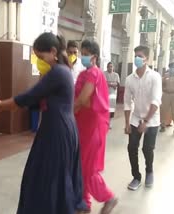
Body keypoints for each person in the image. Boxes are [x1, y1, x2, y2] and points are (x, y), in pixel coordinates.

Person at [0, 32, 86, 214]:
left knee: (49, 179)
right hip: (56, 128)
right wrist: (6, 106)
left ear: (53, 52)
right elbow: (31, 100)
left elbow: (28, 97)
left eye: (41, 57)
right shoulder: (59, 71)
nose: (39, 61)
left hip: (57, 131)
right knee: (44, 177)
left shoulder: (58, 72)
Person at [74, 40, 117, 214]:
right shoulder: (84, 73)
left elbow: (84, 99)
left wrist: (67, 113)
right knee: (80, 166)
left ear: (94, 57)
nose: (82, 56)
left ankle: (108, 197)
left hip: (93, 127)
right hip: (83, 126)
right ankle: (84, 203)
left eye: (85, 53)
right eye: (81, 53)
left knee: (88, 168)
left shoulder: (94, 73)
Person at [124, 46, 162, 191]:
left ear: (147, 59)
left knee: (147, 149)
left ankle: (150, 171)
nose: (137, 59)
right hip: (135, 118)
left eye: (140, 56)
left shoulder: (154, 77)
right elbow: (127, 102)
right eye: (135, 56)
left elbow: (155, 101)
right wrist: (127, 123)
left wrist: (146, 121)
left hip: (152, 120)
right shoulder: (129, 79)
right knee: (131, 147)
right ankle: (136, 176)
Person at [159, 62, 174, 134]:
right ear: (169, 68)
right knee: (164, 111)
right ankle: (163, 126)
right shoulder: (166, 75)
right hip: (166, 95)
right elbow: (162, 84)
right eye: (171, 67)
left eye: (173, 67)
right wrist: (163, 89)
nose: (172, 69)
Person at [104, 62, 120, 129]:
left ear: (113, 68)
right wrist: (112, 84)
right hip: (105, 94)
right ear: (107, 67)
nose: (110, 68)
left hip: (113, 95)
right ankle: (105, 122)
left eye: (111, 66)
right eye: (109, 66)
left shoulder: (116, 75)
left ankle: (109, 123)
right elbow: (104, 83)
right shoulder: (104, 73)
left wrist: (109, 83)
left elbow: (117, 84)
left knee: (111, 110)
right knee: (105, 109)